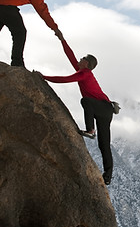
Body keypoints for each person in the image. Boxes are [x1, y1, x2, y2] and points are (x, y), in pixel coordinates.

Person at [41, 38, 116, 185]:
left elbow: (65, 79)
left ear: (86, 63)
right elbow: (70, 55)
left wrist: (44, 77)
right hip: (106, 110)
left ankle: (90, 130)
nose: (79, 60)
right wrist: (61, 39)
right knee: (104, 144)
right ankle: (107, 176)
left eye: (81, 59)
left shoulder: (85, 73)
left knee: (86, 101)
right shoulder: (82, 71)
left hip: (102, 107)